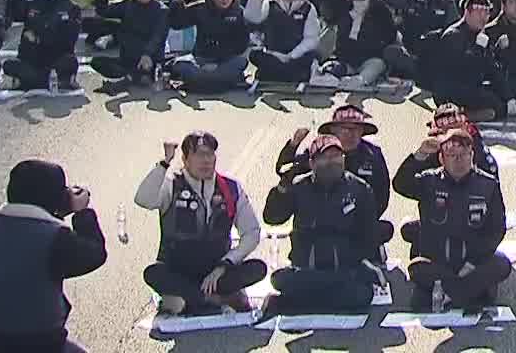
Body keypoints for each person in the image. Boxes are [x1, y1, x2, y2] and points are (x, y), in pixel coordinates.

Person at [0, 159, 107, 353]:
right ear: (54, 198)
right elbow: (95, 254)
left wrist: (57, 211)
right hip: (39, 342)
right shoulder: (56, 238)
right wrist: (81, 211)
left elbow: (24, 248)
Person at [134, 131, 269, 316]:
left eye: (209, 154)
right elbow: (143, 199)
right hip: (179, 270)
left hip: (216, 272)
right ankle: (217, 300)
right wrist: (164, 163)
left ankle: (193, 300)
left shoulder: (230, 187)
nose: (205, 161)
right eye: (198, 155)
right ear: (185, 159)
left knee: (258, 268)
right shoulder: (171, 185)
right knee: (152, 273)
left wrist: (224, 265)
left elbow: (252, 232)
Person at [260, 134, 392, 313]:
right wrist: (282, 189)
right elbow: (272, 218)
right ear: (312, 163)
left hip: (344, 268)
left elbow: (368, 234)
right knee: (279, 279)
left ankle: (296, 302)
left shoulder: (360, 189)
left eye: (337, 157)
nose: (332, 162)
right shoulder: (299, 188)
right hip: (307, 268)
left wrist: (361, 263)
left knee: (362, 294)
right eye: (325, 158)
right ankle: (317, 295)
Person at [392, 124, 513, 312]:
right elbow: (400, 184)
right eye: (452, 156)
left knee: (502, 264)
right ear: (441, 158)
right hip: (439, 263)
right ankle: (467, 294)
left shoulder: (488, 185)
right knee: (417, 267)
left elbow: (496, 229)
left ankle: (450, 293)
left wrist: (472, 263)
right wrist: (420, 154)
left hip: (472, 263)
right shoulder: (429, 181)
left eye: (463, 155)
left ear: (472, 156)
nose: (458, 160)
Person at [274, 104, 394, 262]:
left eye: (356, 129)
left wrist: (355, 214)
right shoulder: (318, 151)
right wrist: (293, 145)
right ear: (333, 131)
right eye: (345, 129)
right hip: (318, 221)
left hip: (356, 220)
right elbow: (285, 171)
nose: (351, 134)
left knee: (383, 229)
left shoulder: (373, 155)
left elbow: (382, 195)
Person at [163, 0, 252, 94]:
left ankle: (202, 82)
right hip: (200, 60)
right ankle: (220, 82)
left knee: (240, 62)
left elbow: (243, 44)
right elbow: (177, 24)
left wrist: (216, 63)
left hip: (226, 62)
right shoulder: (201, 8)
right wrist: (177, 4)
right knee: (181, 64)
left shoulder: (240, 12)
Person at [4, 0, 83, 91]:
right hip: (32, 59)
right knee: (9, 65)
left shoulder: (71, 7)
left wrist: (38, 39)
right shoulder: (29, 3)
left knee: (70, 62)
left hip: (58, 57)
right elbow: (13, 14)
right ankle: (45, 80)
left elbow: (69, 40)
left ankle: (36, 81)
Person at [90, 0, 169, 86]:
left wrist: (147, 54)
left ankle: (138, 76)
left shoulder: (162, 10)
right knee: (96, 62)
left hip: (150, 58)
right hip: (128, 59)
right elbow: (103, 10)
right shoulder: (127, 5)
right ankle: (131, 76)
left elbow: (158, 36)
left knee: (150, 66)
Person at [245, 0, 323, 85]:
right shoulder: (269, 4)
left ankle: (277, 73)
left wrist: (291, 56)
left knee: (312, 55)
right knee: (254, 54)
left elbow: (311, 39)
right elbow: (253, 17)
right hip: (273, 55)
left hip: (295, 57)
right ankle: (289, 74)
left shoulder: (309, 8)